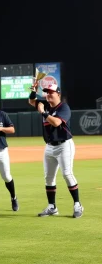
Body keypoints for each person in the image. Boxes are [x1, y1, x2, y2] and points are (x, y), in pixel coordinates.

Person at [28, 83, 84, 218]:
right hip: (49, 146)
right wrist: (33, 91)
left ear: (58, 94)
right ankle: (52, 206)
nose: (48, 94)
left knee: (67, 174)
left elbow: (57, 122)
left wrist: (42, 112)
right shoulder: (45, 105)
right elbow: (31, 101)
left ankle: (77, 204)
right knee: (48, 177)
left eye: (51, 92)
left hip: (64, 145)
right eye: (46, 92)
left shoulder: (64, 107)